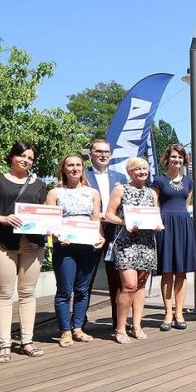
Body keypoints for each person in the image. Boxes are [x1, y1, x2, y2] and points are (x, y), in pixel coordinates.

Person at [0, 141, 49, 363]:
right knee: (4, 294)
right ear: (12, 156)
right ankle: (4, 345)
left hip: (32, 245)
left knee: (28, 294)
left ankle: (27, 341)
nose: (26, 161)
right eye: (22, 156)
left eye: (30, 158)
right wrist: (3, 218)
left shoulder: (39, 185)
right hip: (3, 244)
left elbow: (45, 214)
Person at [46, 153, 105, 348]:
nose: (74, 168)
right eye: (70, 165)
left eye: (78, 165)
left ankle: (78, 328)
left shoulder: (92, 193)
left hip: (88, 246)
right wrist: (56, 236)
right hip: (65, 247)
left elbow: (96, 219)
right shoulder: (55, 193)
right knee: (64, 290)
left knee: (82, 290)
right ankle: (65, 331)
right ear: (63, 168)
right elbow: (51, 222)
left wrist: (100, 237)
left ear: (82, 168)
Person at [105, 157, 161, 343]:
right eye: (138, 169)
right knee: (129, 285)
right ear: (130, 172)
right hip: (126, 242)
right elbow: (109, 215)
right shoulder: (121, 189)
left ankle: (137, 325)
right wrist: (124, 222)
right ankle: (120, 328)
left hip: (146, 242)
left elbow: (155, 215)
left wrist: (158, 225)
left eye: (145, 168)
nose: (142, 172)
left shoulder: (151, 193)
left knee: (141, 285)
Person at [151, 144, 195, 332]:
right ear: (167, 159)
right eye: (173, 157)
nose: (177, 160)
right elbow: (154, 206)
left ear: (184, 160)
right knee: (168, 271)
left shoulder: (189, 182)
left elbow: (186, 204)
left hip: (183, 225)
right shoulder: (158, 181)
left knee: (181, 272)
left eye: (180, 157)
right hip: (165, 225)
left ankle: (179, 313)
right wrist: (158, 224)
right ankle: (168, 313)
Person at [85, 138, 127, 329]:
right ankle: (79, 321)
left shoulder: (121, 178)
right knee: (86, 276)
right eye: (98, 151)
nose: (103, 155)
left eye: (106, 152)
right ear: (90, 154)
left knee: (117, 279)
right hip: (91, 231)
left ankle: (118, 321)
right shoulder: (82, 175)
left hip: (115, 232)